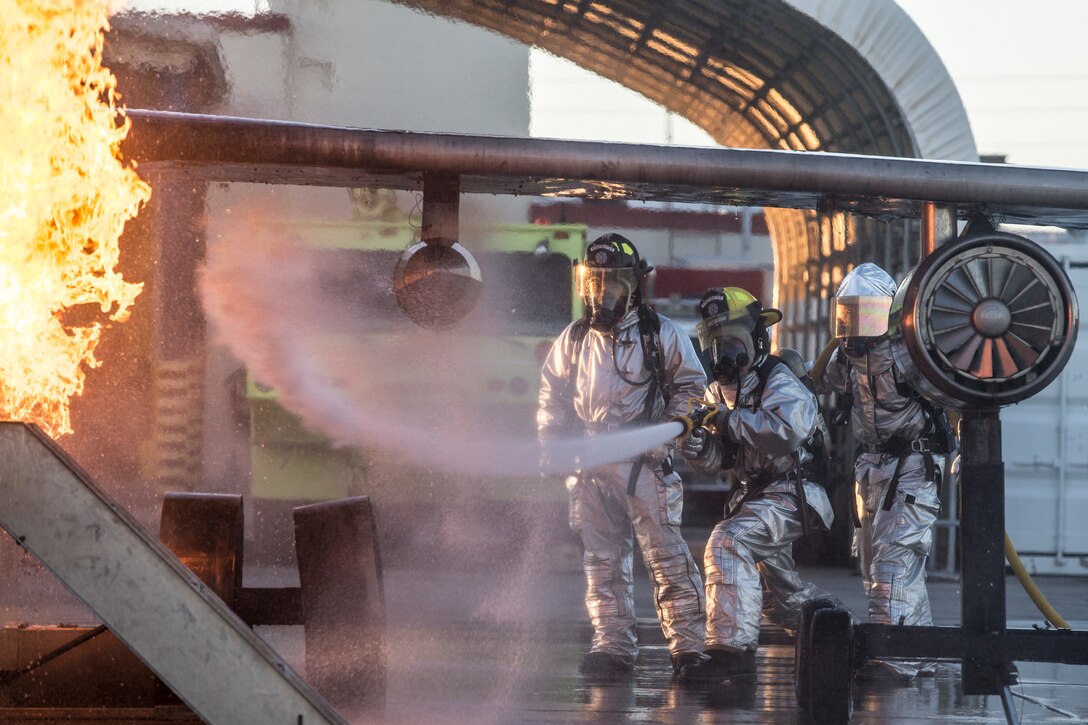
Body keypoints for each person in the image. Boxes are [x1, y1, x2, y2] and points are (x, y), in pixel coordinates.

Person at [537, 233, 707, 677]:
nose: (600, 293)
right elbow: (551, 397)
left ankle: (688, 650)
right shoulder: (574, 339)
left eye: (611, 282)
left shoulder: (660, 334)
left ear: (634, 285)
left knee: (666, 558)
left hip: (645, 464)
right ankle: (612, 646)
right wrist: (551, 447)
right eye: (593, 282)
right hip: (589, 465)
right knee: (603, 562)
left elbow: (692, 391)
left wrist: (665, 435)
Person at [675, 287, 839, 684]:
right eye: (714, 343)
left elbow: (787, 431)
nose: (722, 353)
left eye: (732, 341)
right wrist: (699, 444)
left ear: (757, 338)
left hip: (795, 491)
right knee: (777, 597)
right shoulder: (719, 393)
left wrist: (726, 422)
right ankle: (839, 638)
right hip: (758, 497)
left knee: (728, 543)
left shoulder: (778, 378)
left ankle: (730, 654)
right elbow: (722, 461)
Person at [811, 262, 953, 683]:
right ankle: (921, 651)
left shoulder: (911, 353)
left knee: (892, 563)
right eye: (849, 313)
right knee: (885, 564)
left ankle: (891, 657)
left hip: (913, 465)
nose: (857, 325)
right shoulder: (845, 356)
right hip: (871, 468)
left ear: (889, 313)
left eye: (866, 312)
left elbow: (956, 393)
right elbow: (816, 384)